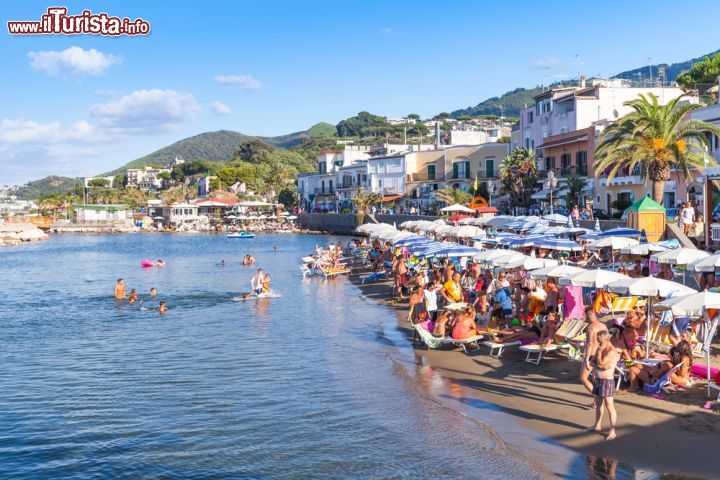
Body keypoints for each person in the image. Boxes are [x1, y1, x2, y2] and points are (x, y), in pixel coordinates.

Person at [589, 330, 619, 441]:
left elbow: (601, 364)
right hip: (597, 379)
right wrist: (599, 365)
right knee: (598, 403)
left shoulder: (611, 351)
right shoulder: (600, 349)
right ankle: (597, 425)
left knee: (609, 406)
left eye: (600, 342)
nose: (599, 344)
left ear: (606, 340)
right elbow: (592, 362)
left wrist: (600, 354)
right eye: (598, 342)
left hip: (607, 381)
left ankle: (612, 431)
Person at [580, 310, 608, 405]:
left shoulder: (591, 327)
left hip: (592, 355)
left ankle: (597, 397)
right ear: (595, 316)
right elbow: (607, 340)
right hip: (601, 354)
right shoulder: (603, 326)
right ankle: (596, 402)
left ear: (587, 317)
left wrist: (587, 359)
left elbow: (590, 344)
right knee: (595, 378)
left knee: (583, 378)